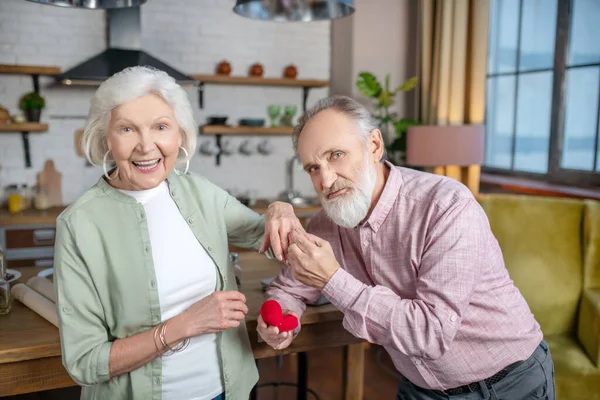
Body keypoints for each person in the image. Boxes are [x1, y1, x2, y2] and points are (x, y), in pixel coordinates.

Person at [257, 95, 556, 399]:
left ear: (374, 146)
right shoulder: (327, 223)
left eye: (336, 155)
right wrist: (281, 319)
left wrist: (332, 280)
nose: (326, 179)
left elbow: (430, 334)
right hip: (420, 388)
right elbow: (291, 289)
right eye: (313, 167)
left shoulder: (446, 206)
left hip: (507, 385)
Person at [53, 66, 300, 400]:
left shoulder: (201, 193)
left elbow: (274, 241)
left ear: (179, 135)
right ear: (105, 137)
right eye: (127, 128)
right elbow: (84, 362)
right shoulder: (79, 224)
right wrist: (183, 325)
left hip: (228, 391)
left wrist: (280, 208)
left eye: (161, 127)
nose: (146, 146)